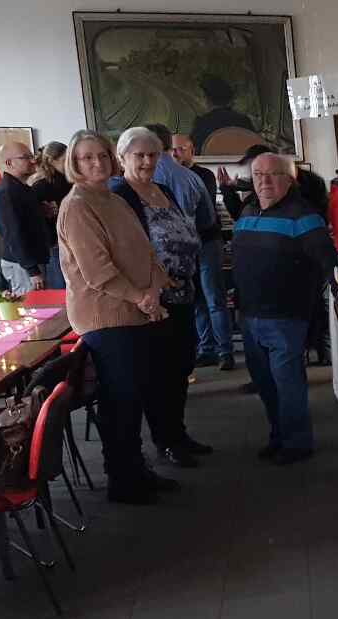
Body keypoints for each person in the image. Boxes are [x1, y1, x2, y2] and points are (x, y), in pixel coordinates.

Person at [56, 130, 172, 504]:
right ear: (74, 163)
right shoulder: (77, 206)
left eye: (103, 155)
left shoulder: (114, 198)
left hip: (136, 310)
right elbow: (97, 271)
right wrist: (142, 297)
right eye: (87, 158)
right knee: (119, 402)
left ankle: (136, 468)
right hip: (105, 317)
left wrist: (153, 289)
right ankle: (122, 480)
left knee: (133, 398)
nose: (97, 163)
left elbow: (147, 252)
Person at [111, 127, 210, 470]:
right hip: (152, 300)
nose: (147, 161)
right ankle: (166, 440)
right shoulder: (120, 195)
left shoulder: (162, 189)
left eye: (152, 154)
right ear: (122, 158)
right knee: (159, 374)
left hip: (182, 293)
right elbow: (125, 250)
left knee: (181, 368)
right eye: (138, 155)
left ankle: (178, 433)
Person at [230, 153, 336, 464]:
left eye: (273, 174)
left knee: (288, 383)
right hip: (249, 314)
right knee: (265, 383)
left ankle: (297, 443)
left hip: (286, 317)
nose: (264, 181)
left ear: (290, 180)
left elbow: (328, 264)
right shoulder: (248, 211)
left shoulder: (304, 217)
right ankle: (278, 435)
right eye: (258, 174)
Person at [170, 133, 235, 371]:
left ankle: (225, 351)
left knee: (214, 298)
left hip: (207, 242)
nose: (175, 153)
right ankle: (206, 350)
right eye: (172, 150)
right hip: (184, 246)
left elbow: (191, 206)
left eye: (180, 149)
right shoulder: (167, 178)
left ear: (192, 151)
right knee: (196, 299)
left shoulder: (203, 175)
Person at [0, 141, 50, 295]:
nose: (33, 161)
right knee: (30, 306)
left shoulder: (21, 188)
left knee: (40, 305)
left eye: (32, 156)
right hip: (21, 266)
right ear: (9, 163)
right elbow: (13, 234)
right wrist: (32, 270)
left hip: (30, 262)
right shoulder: (7, 192)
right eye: (26, 157)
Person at [30, 141, 71, 289]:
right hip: (55, 246)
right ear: (52, 161)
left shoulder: (72, 182)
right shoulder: (39, 187)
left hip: (73, 243)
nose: (70, 164)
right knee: (60, 290)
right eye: (65, 160)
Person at [190, 73, 259, 152]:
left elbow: (192, 151)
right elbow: (256, 149)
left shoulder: (202, 123)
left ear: (207, 99)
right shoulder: (244, 121)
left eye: (203, 96)